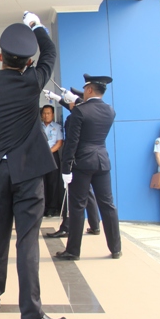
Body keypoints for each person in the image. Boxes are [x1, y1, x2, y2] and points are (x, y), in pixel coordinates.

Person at [0, 12, 68, 319]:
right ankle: (31, 314)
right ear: (27, 62)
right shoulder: (32, 81)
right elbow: (50, 53)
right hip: (29, 173)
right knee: (27, 241)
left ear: (0, 57)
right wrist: (36, 25)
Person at [56, 74, 122, 260]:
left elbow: (72, 143)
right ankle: (115, 248)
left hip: (82, 163)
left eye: (85, 89)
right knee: (108, 205)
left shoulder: (80, 111)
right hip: (102, 161)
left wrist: (66, 168)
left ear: (90, 89)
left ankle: (73, 251)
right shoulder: (110, 110)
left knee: (77, 207)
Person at [43, 88, 101, 238]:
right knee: (88, 193)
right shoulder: (84, 113)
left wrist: (67, 164)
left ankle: (66, 227)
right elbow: (73, 106)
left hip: (76, 160)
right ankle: (95, 225)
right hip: (87, 159)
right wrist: (56, 97)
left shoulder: (77, 115)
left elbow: (71, 143)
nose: (68, 103)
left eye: (70, 100)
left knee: (69, 194)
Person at [41, 105, 63, 217]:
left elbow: (59, 142)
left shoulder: (57, 127)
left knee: (53, 183)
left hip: (52, 156)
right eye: (44, 113)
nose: (46, 115)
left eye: (48, 113)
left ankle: (52, 208)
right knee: (41, 183)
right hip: (39, 157)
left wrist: (48, 153)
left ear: (53, 114)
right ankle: (42, 207)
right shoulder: (37, 127)